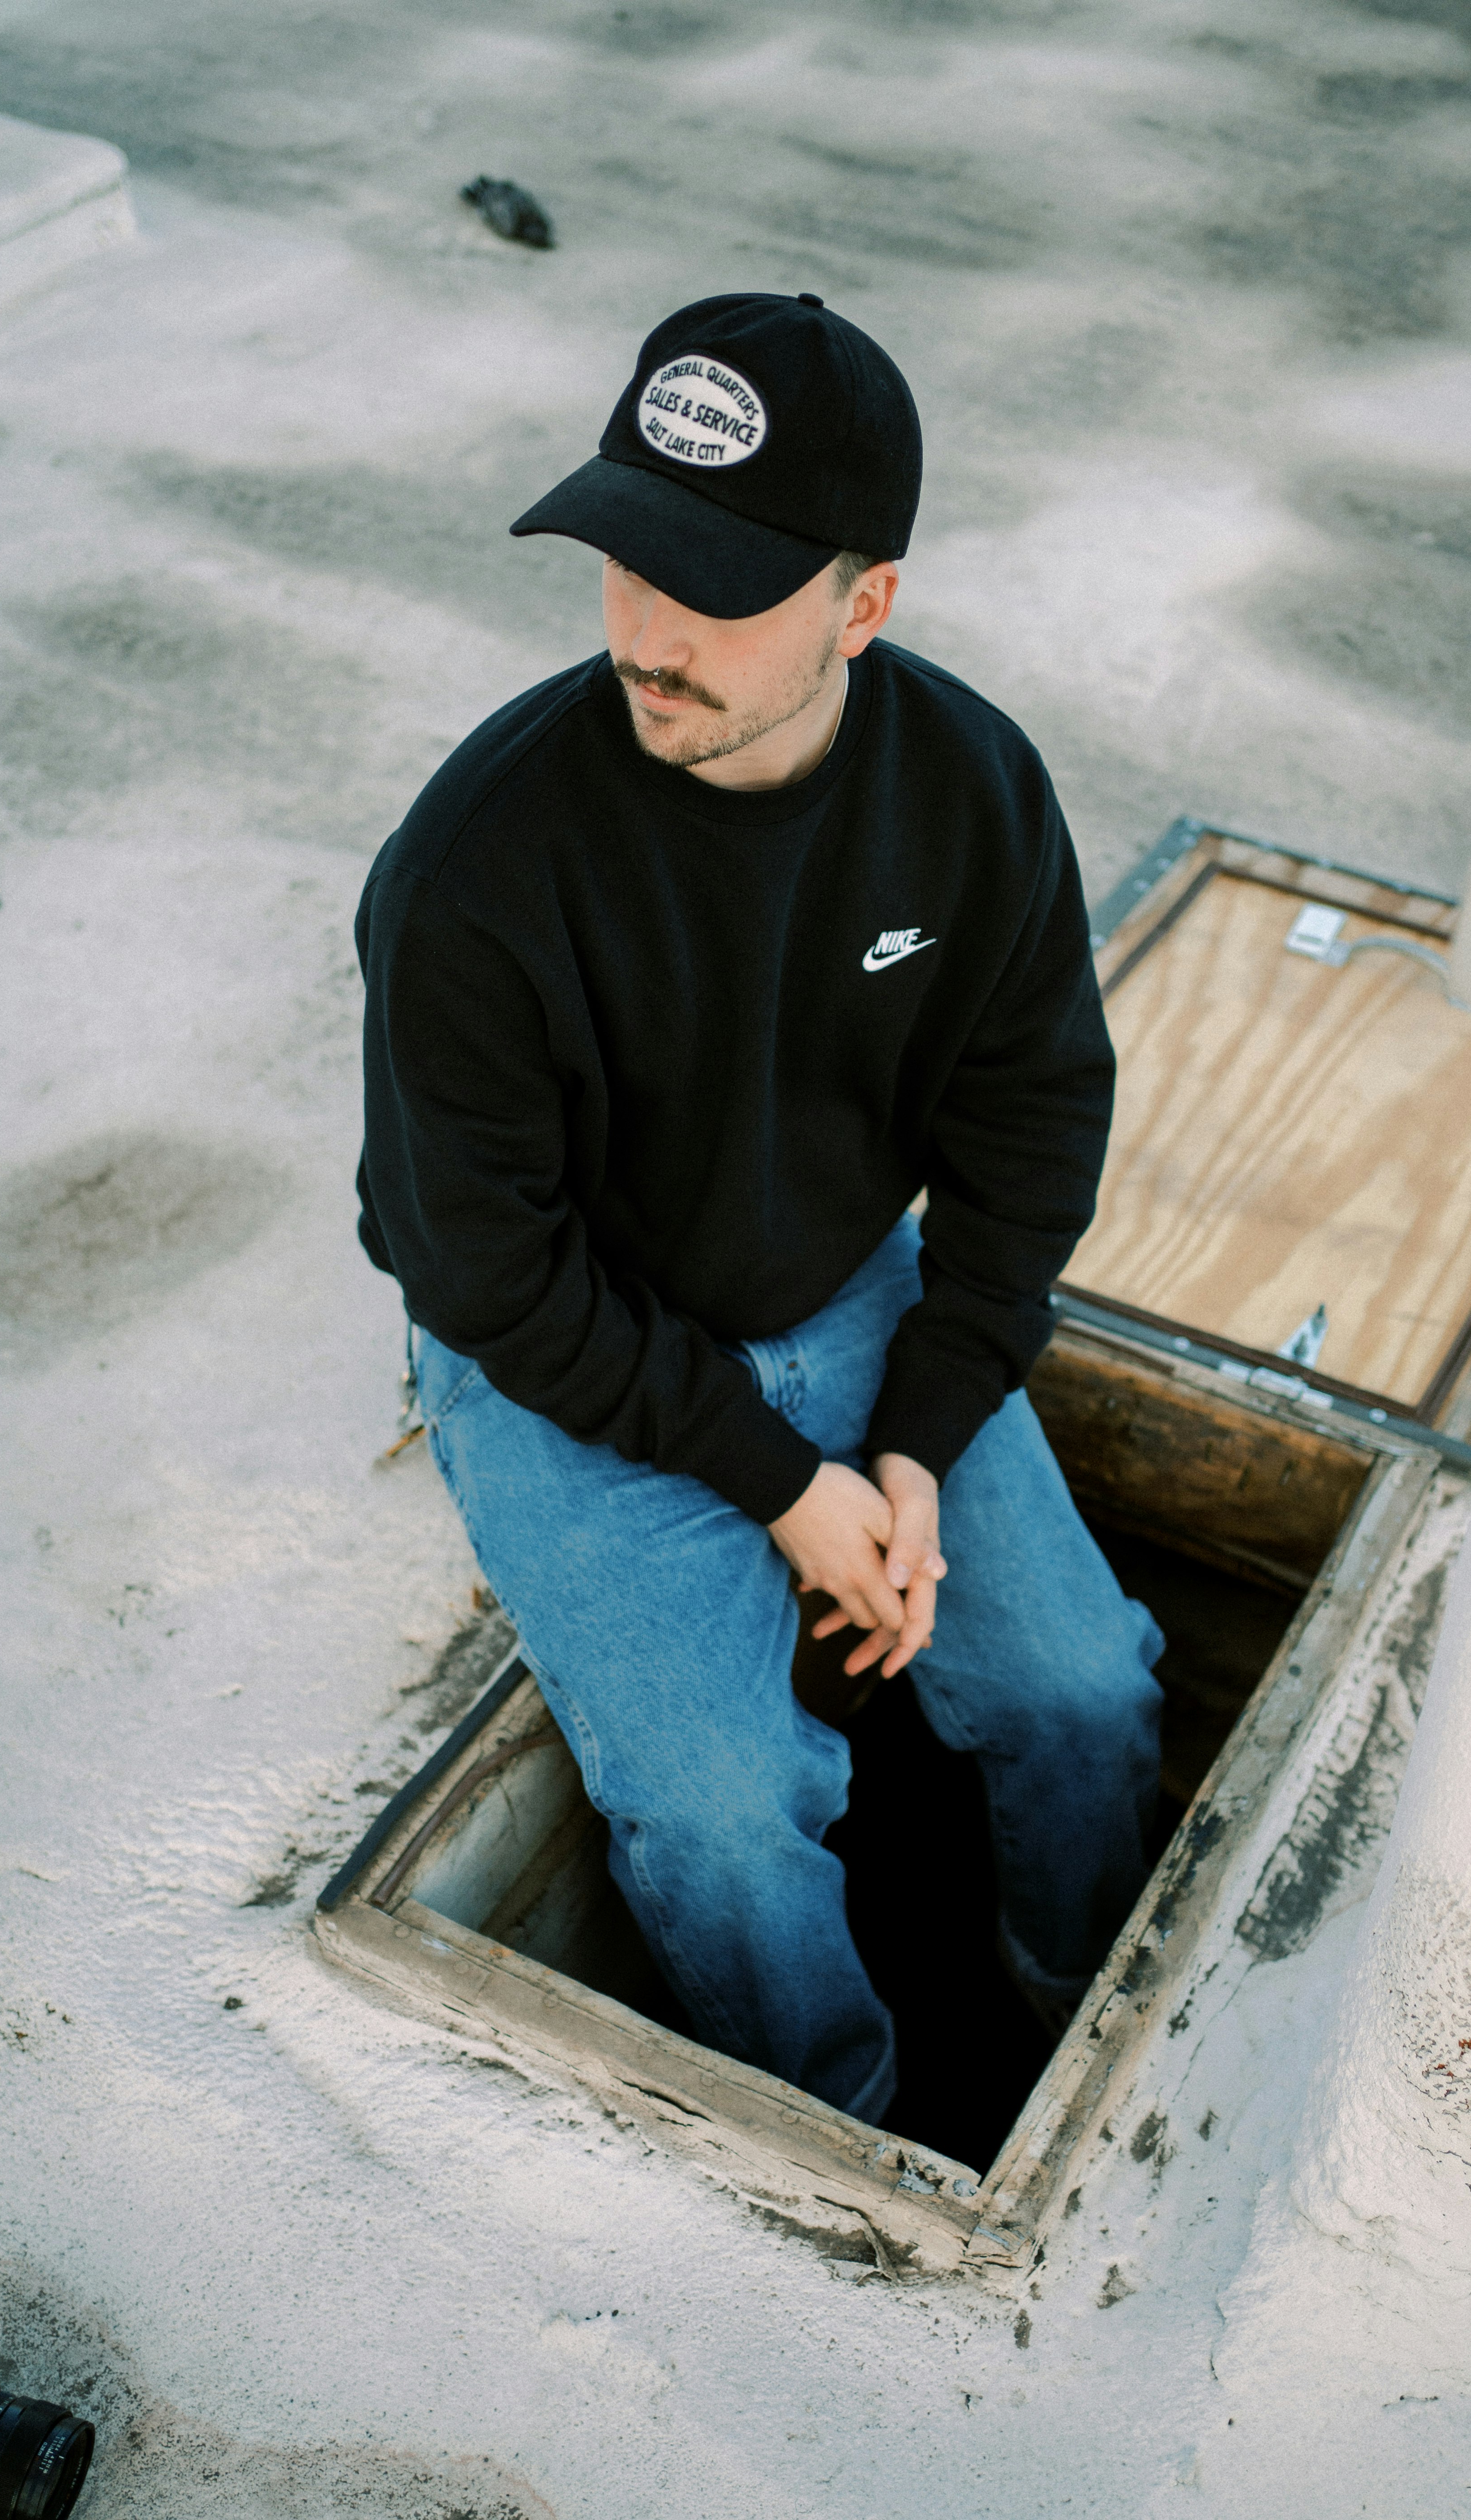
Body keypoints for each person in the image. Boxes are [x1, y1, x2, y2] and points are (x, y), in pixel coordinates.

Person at [355, 291, 1163, 2128]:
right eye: (627, 556)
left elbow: (1033, 1119)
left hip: (848, 1293)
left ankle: (1062, 2054)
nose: (648, 631)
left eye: (716, 584)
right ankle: (842, 2136)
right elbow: (484, 1262)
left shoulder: (969, 792)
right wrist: (788, 1483)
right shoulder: (481, 860)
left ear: (862, 603)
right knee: (724, 1817)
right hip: (562, 1347)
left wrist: (919, 1439)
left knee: (1079, 1691)